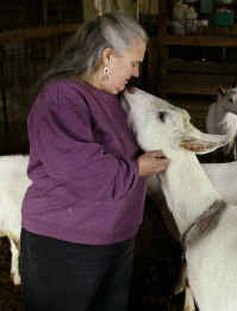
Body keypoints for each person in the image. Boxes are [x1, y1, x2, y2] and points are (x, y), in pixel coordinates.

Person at [20, 11, 169, 311]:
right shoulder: (62, 98)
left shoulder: (112, 99)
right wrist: (138, 168)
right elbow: (77, 169)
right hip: (66, 244)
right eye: (134, 63)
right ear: (107, 57)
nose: (137, 72)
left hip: (112, 240)